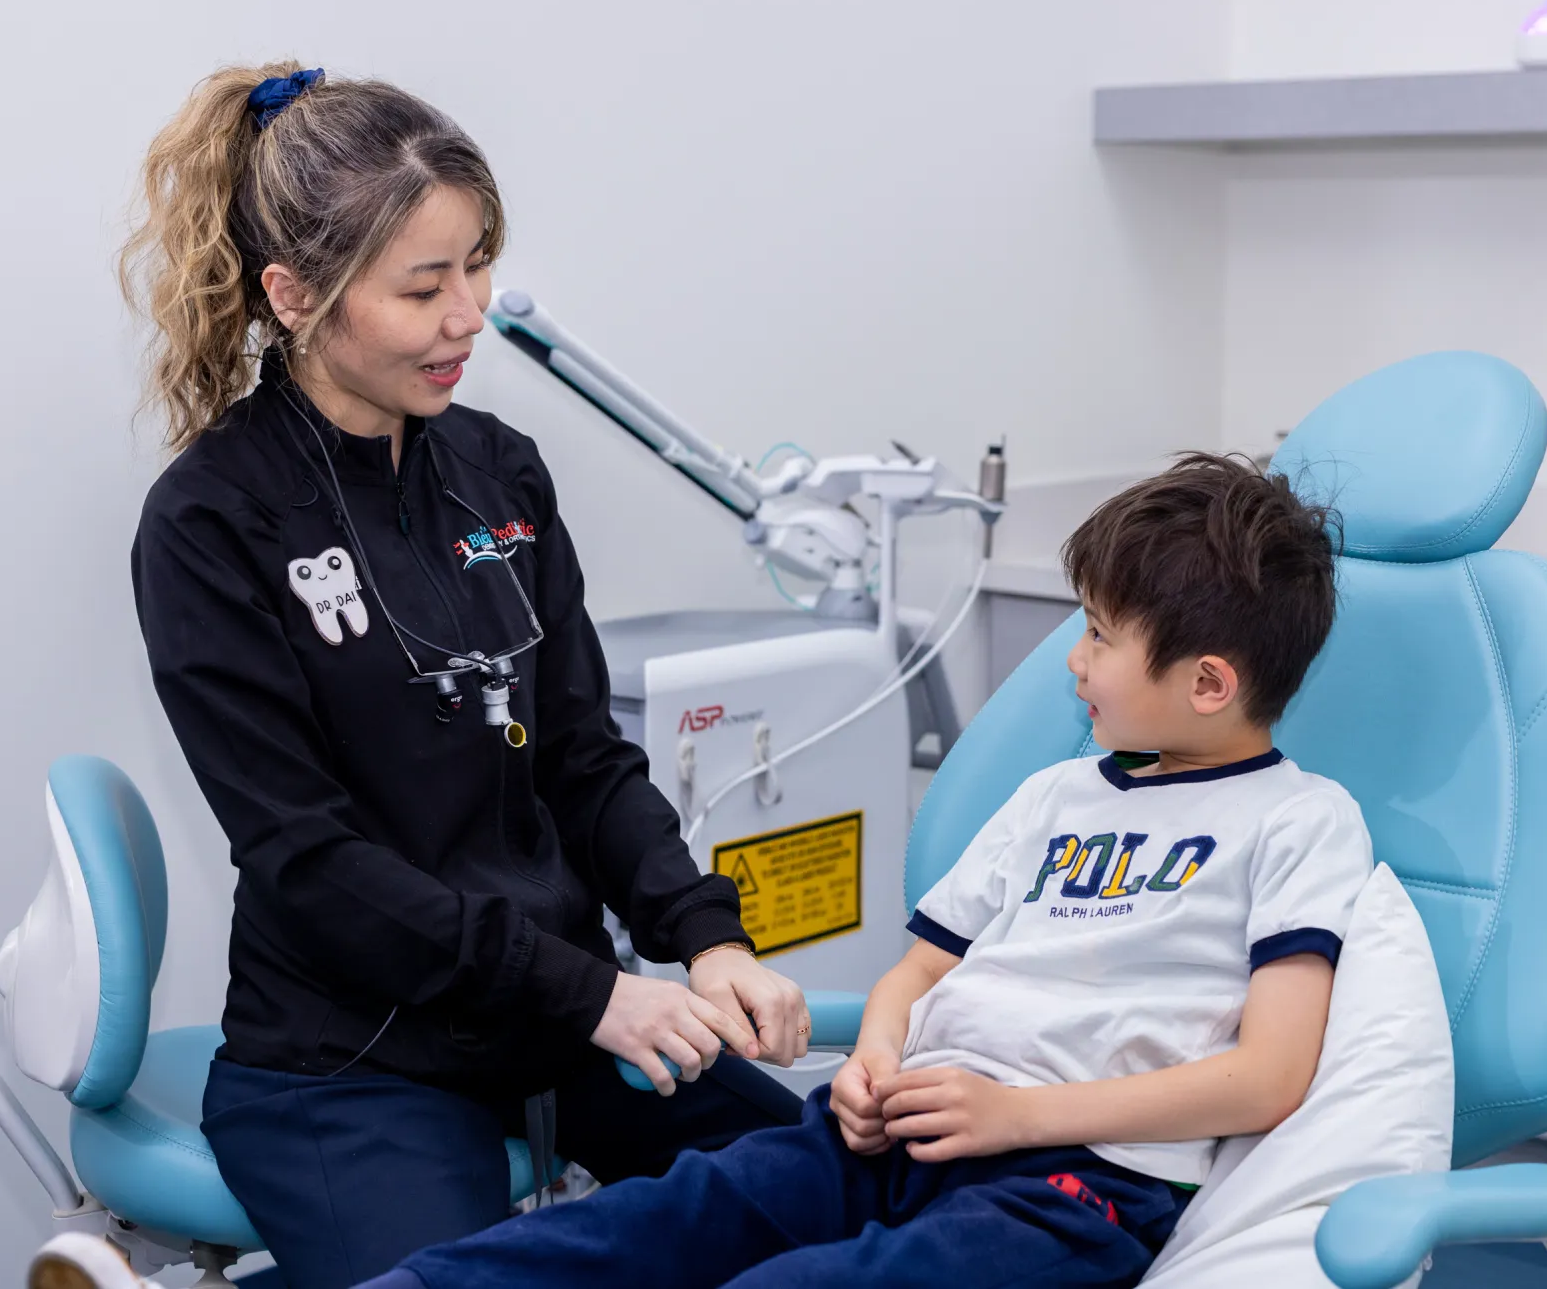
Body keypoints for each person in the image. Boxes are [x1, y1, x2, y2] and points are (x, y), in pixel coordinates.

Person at [109, 62, 809, 1289]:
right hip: (352, 1056)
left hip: (555, 1016)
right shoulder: (212, 523)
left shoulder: (499, 473)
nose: (468, 315)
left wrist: (705, 939)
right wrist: (597, 996)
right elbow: (309, 860)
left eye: (476, 265)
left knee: (834, 1202)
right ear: (294, 295)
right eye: (423, 286)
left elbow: (584, 758)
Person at [367, 453, 1375, 1289]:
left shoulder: (1294, 820)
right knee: (659, 1221)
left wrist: (1019, 1115)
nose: (1075, 659)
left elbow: (1267, 1078)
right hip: (897, 1133)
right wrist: (873, 1062)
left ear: (1208, 683)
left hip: (1070, 1183)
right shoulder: (1055, 798)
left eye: (1101, 635)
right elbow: (917, 973)